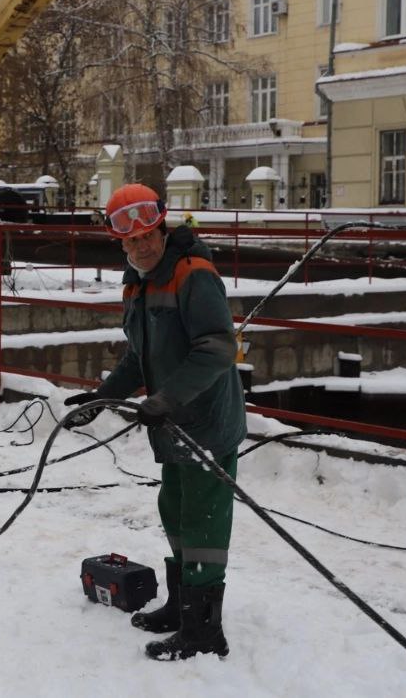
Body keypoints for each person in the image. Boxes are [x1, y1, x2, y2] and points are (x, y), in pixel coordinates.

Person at [64, 183, 245, 661]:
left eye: (149, 236)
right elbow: (139, 355)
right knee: (176, 511)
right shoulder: (137, 280)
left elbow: (218, 348)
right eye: (131, 240)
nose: (141, 246)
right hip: (171, 422)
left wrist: (165, 399)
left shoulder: (193, 275)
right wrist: (104, 397)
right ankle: (183, 608)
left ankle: (204, 631)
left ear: (162, 229)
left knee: (203, 524)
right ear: (120, 243)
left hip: (204, 421)